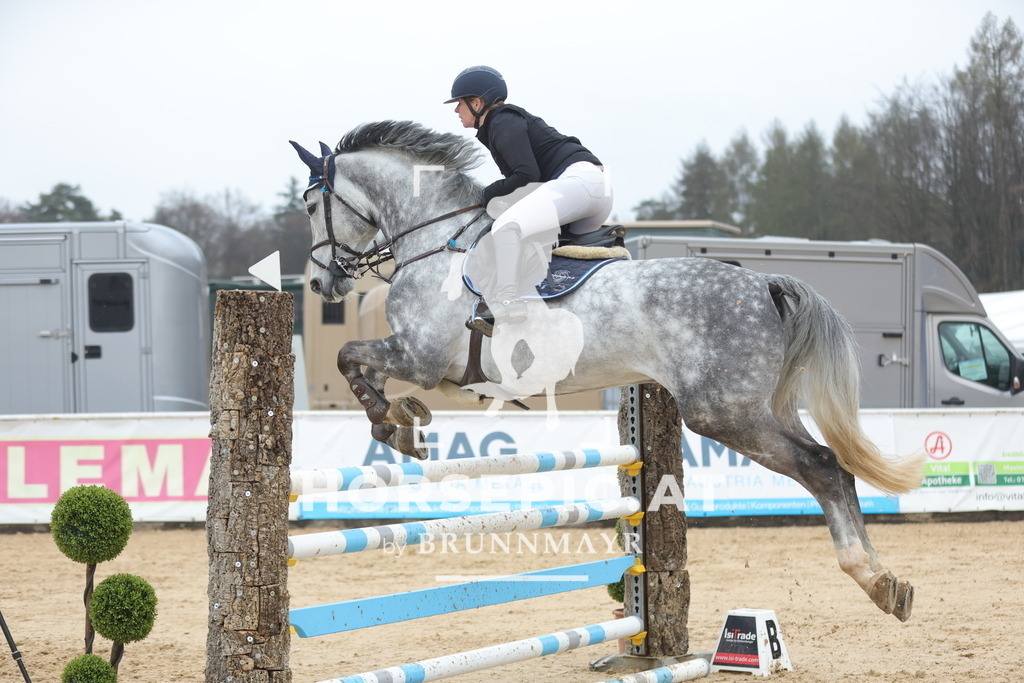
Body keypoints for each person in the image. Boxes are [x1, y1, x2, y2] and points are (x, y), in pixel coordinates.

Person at [446, 65, 613, 336]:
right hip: (593, 192)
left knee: (506, 227)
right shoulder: (501, 122)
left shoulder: (501, 121)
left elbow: (526, 176)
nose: (456, 110)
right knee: (537, 241)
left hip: (578, 183)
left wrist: (486, 194)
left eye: (459, 103)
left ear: (476, 103)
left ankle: (507, 301)